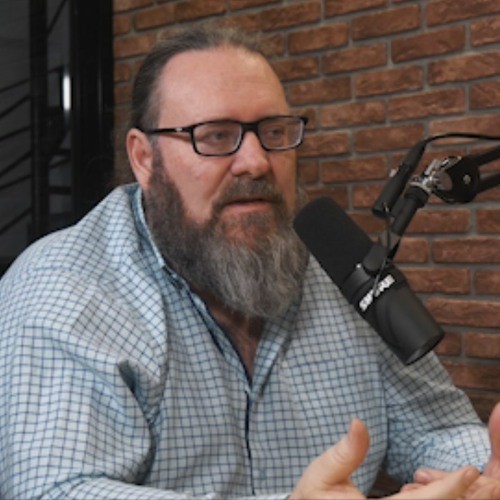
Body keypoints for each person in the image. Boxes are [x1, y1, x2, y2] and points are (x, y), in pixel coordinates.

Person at [0, 21, 499, 499]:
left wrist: (477, 475)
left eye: (274, 132)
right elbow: (55, 490)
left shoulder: (339, 266)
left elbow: (439, 427)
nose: (257, 161)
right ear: (144, 159)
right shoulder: (64, 288)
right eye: (216, 135)